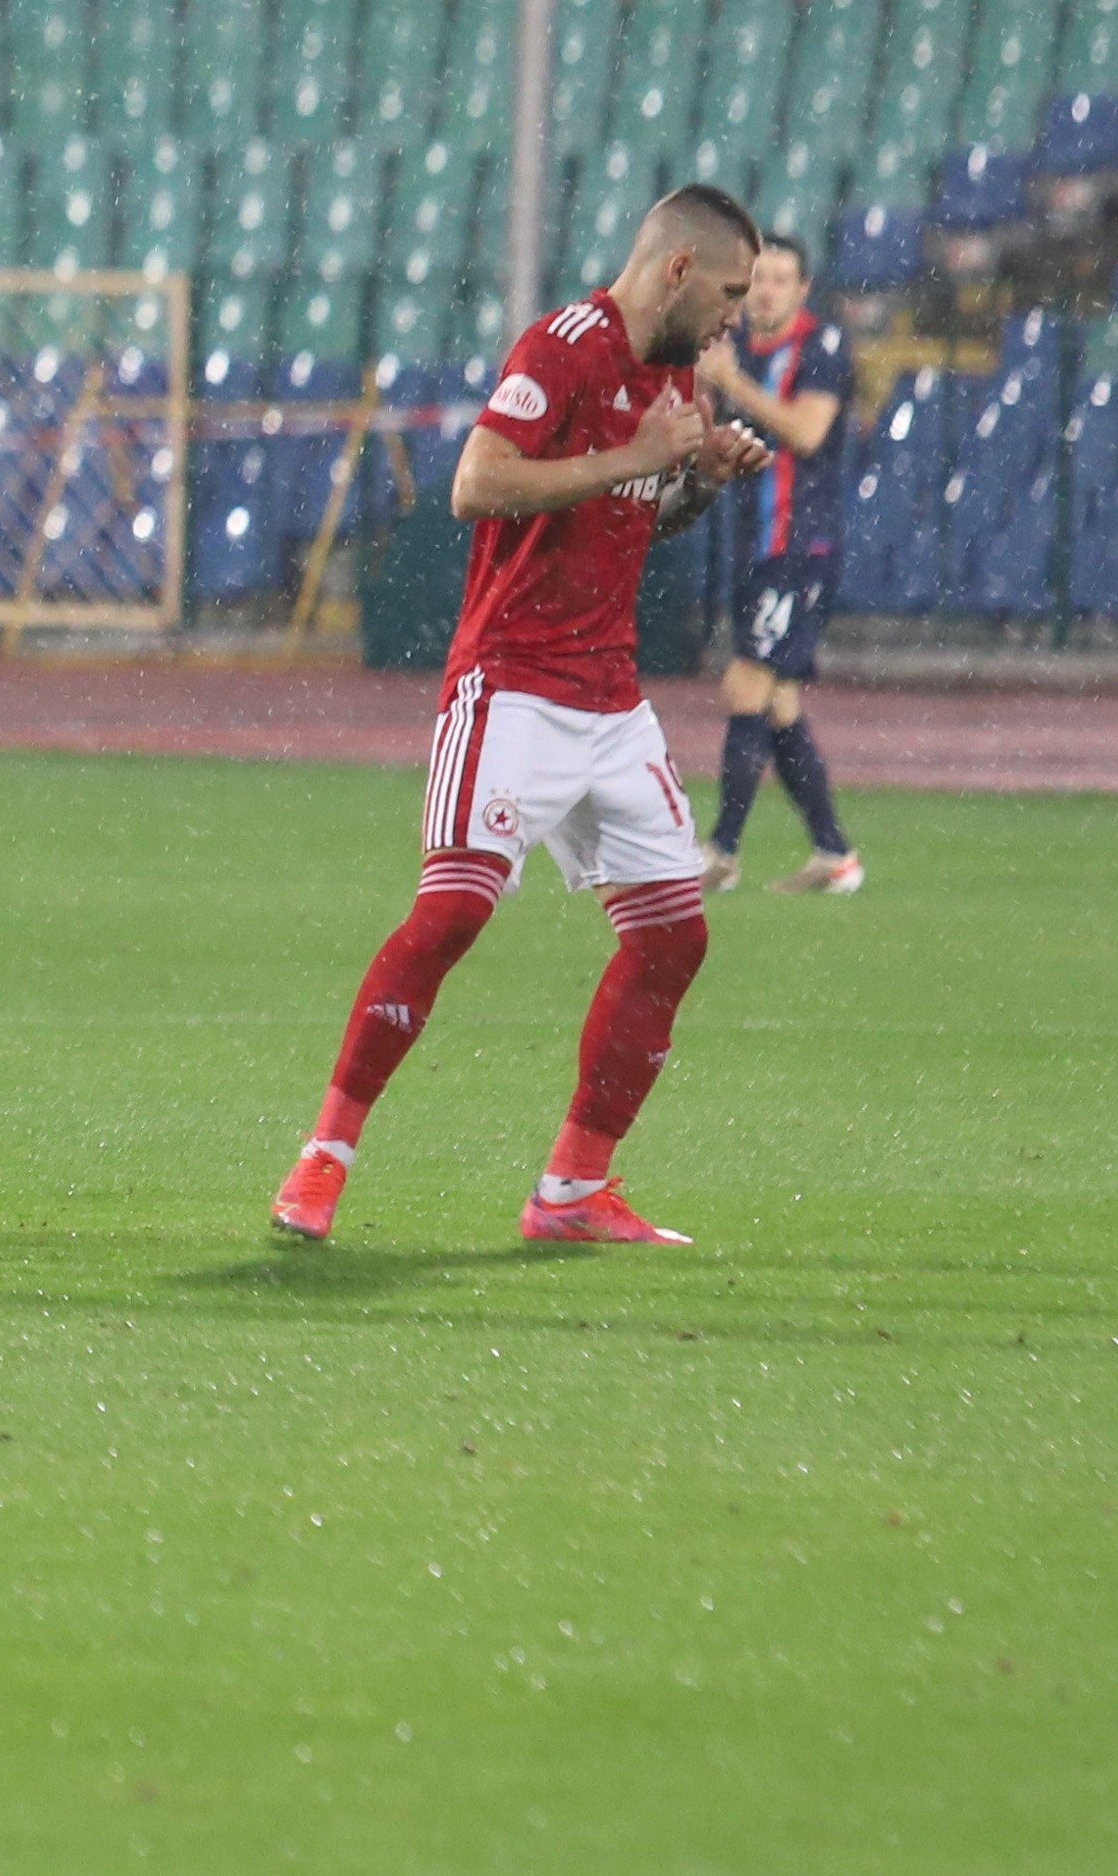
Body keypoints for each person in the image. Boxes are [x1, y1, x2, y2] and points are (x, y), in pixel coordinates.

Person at [271, 186, 772, 1250]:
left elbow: (632, 513)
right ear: (679, 269)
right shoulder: (564, 346)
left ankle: (571, 1190)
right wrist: (639, 457)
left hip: (609, 699)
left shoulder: (673, 369)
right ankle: (322, 1158)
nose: (738, 317)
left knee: (673, 938)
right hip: (510, 686)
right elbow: (476, 482)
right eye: (732, 291)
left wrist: (699, 483)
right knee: (452, 913)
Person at [696, 234, 863, 894]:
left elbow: (807, 432)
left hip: (798, 547)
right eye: (757, 278)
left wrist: (731, 382)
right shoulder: (734, 346)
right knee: (779, 703)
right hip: (755, 543)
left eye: (779, 279)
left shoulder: (821, 347)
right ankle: (834, 853)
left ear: (802, 289)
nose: (765, 291)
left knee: (746, 683)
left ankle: (721, 851)